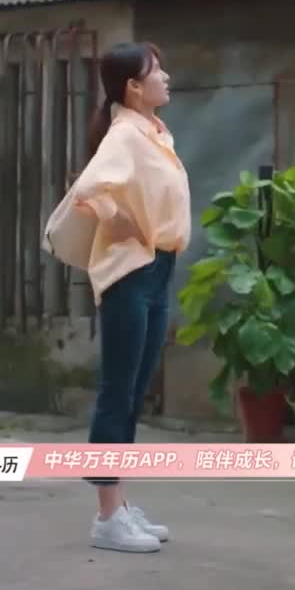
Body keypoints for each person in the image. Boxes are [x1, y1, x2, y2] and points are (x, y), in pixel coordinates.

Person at [67, 41, 190, 553]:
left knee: (135, 390)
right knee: (118, 391)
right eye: (156, 71)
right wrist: (120, 222)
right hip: (131, 272)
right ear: (133, 87)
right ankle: (106, 518)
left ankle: (118, 505)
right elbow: (88, 190)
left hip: (158, 268)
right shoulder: (125, 134)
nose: (166, 77)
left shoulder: (152, 131)